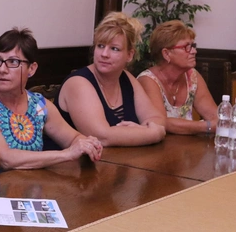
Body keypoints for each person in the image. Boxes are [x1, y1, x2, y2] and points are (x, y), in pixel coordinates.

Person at [0, 28, 102, 169]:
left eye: (13, 62)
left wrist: (89, 144)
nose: (2, 69)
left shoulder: (38, 105)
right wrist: (66, 154)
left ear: (32, 69)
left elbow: (74, 139)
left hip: (36, 182)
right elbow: (5, 158)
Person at [55, 12, 166, 147]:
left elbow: (157, 119)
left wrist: (143, 130)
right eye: (100, 46)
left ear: (129, 55)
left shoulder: (126, 78)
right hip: (71, 160)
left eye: (114, 49)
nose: (104, 54)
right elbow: (101, 137)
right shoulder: (78, 83)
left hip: (123, 158)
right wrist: (152, 134)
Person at [137, 21, 218, 135]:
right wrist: (207, 126)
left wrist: (211, 124)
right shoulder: (147, 80)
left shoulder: (192, 76)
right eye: (186, 47)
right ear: (166, 54)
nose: (194, 51)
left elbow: (216, 118)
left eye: (193, 46)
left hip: (187, 145)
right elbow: (160, 122)